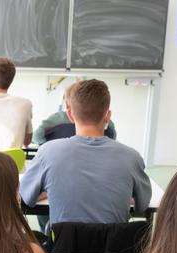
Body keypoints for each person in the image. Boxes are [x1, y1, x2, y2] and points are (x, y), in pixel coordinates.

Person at [20, 79, 151, 226]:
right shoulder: (132, 157)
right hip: (115, 247)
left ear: (70, 115)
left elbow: (26, 198)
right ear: (108, 116)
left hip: (63, 247)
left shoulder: (47, 152)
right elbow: (143, 205)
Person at [32, 90, 117, 145]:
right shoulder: (106, 121)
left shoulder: (56, 118)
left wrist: (48, 146)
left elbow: (37, 136)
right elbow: (112, 137)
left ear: (67, 104)